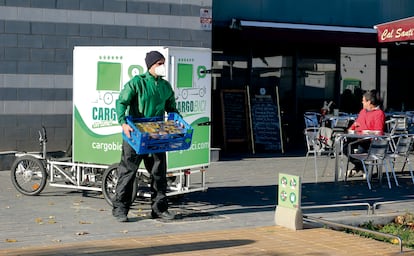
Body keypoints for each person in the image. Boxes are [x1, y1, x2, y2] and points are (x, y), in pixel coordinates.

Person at [113, 51, 179, 222]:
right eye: (159, 63)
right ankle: (120, 209)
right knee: (128, 172)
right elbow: (121, 102)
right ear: (150, 65)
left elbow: (172, 108)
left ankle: (159, 209)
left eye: (163, 63)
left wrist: (178, 123)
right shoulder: (137, 83)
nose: (162, 66)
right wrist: (123, 122)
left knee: (159, 173)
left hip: (156, 134)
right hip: (135, 133)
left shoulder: (165, 86)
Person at [345, 90, 385, 177]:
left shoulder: (379, 113)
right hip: (358, 139)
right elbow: (356, 123)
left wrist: (368, 132)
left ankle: (361, 168)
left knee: (358, 149)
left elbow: (379, 131)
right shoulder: (363, 111)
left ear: (369, 102)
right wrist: (352, 129)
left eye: (363, 100)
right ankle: (361, 166)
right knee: (344, 147)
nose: (362, 102)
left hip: (370, 141)